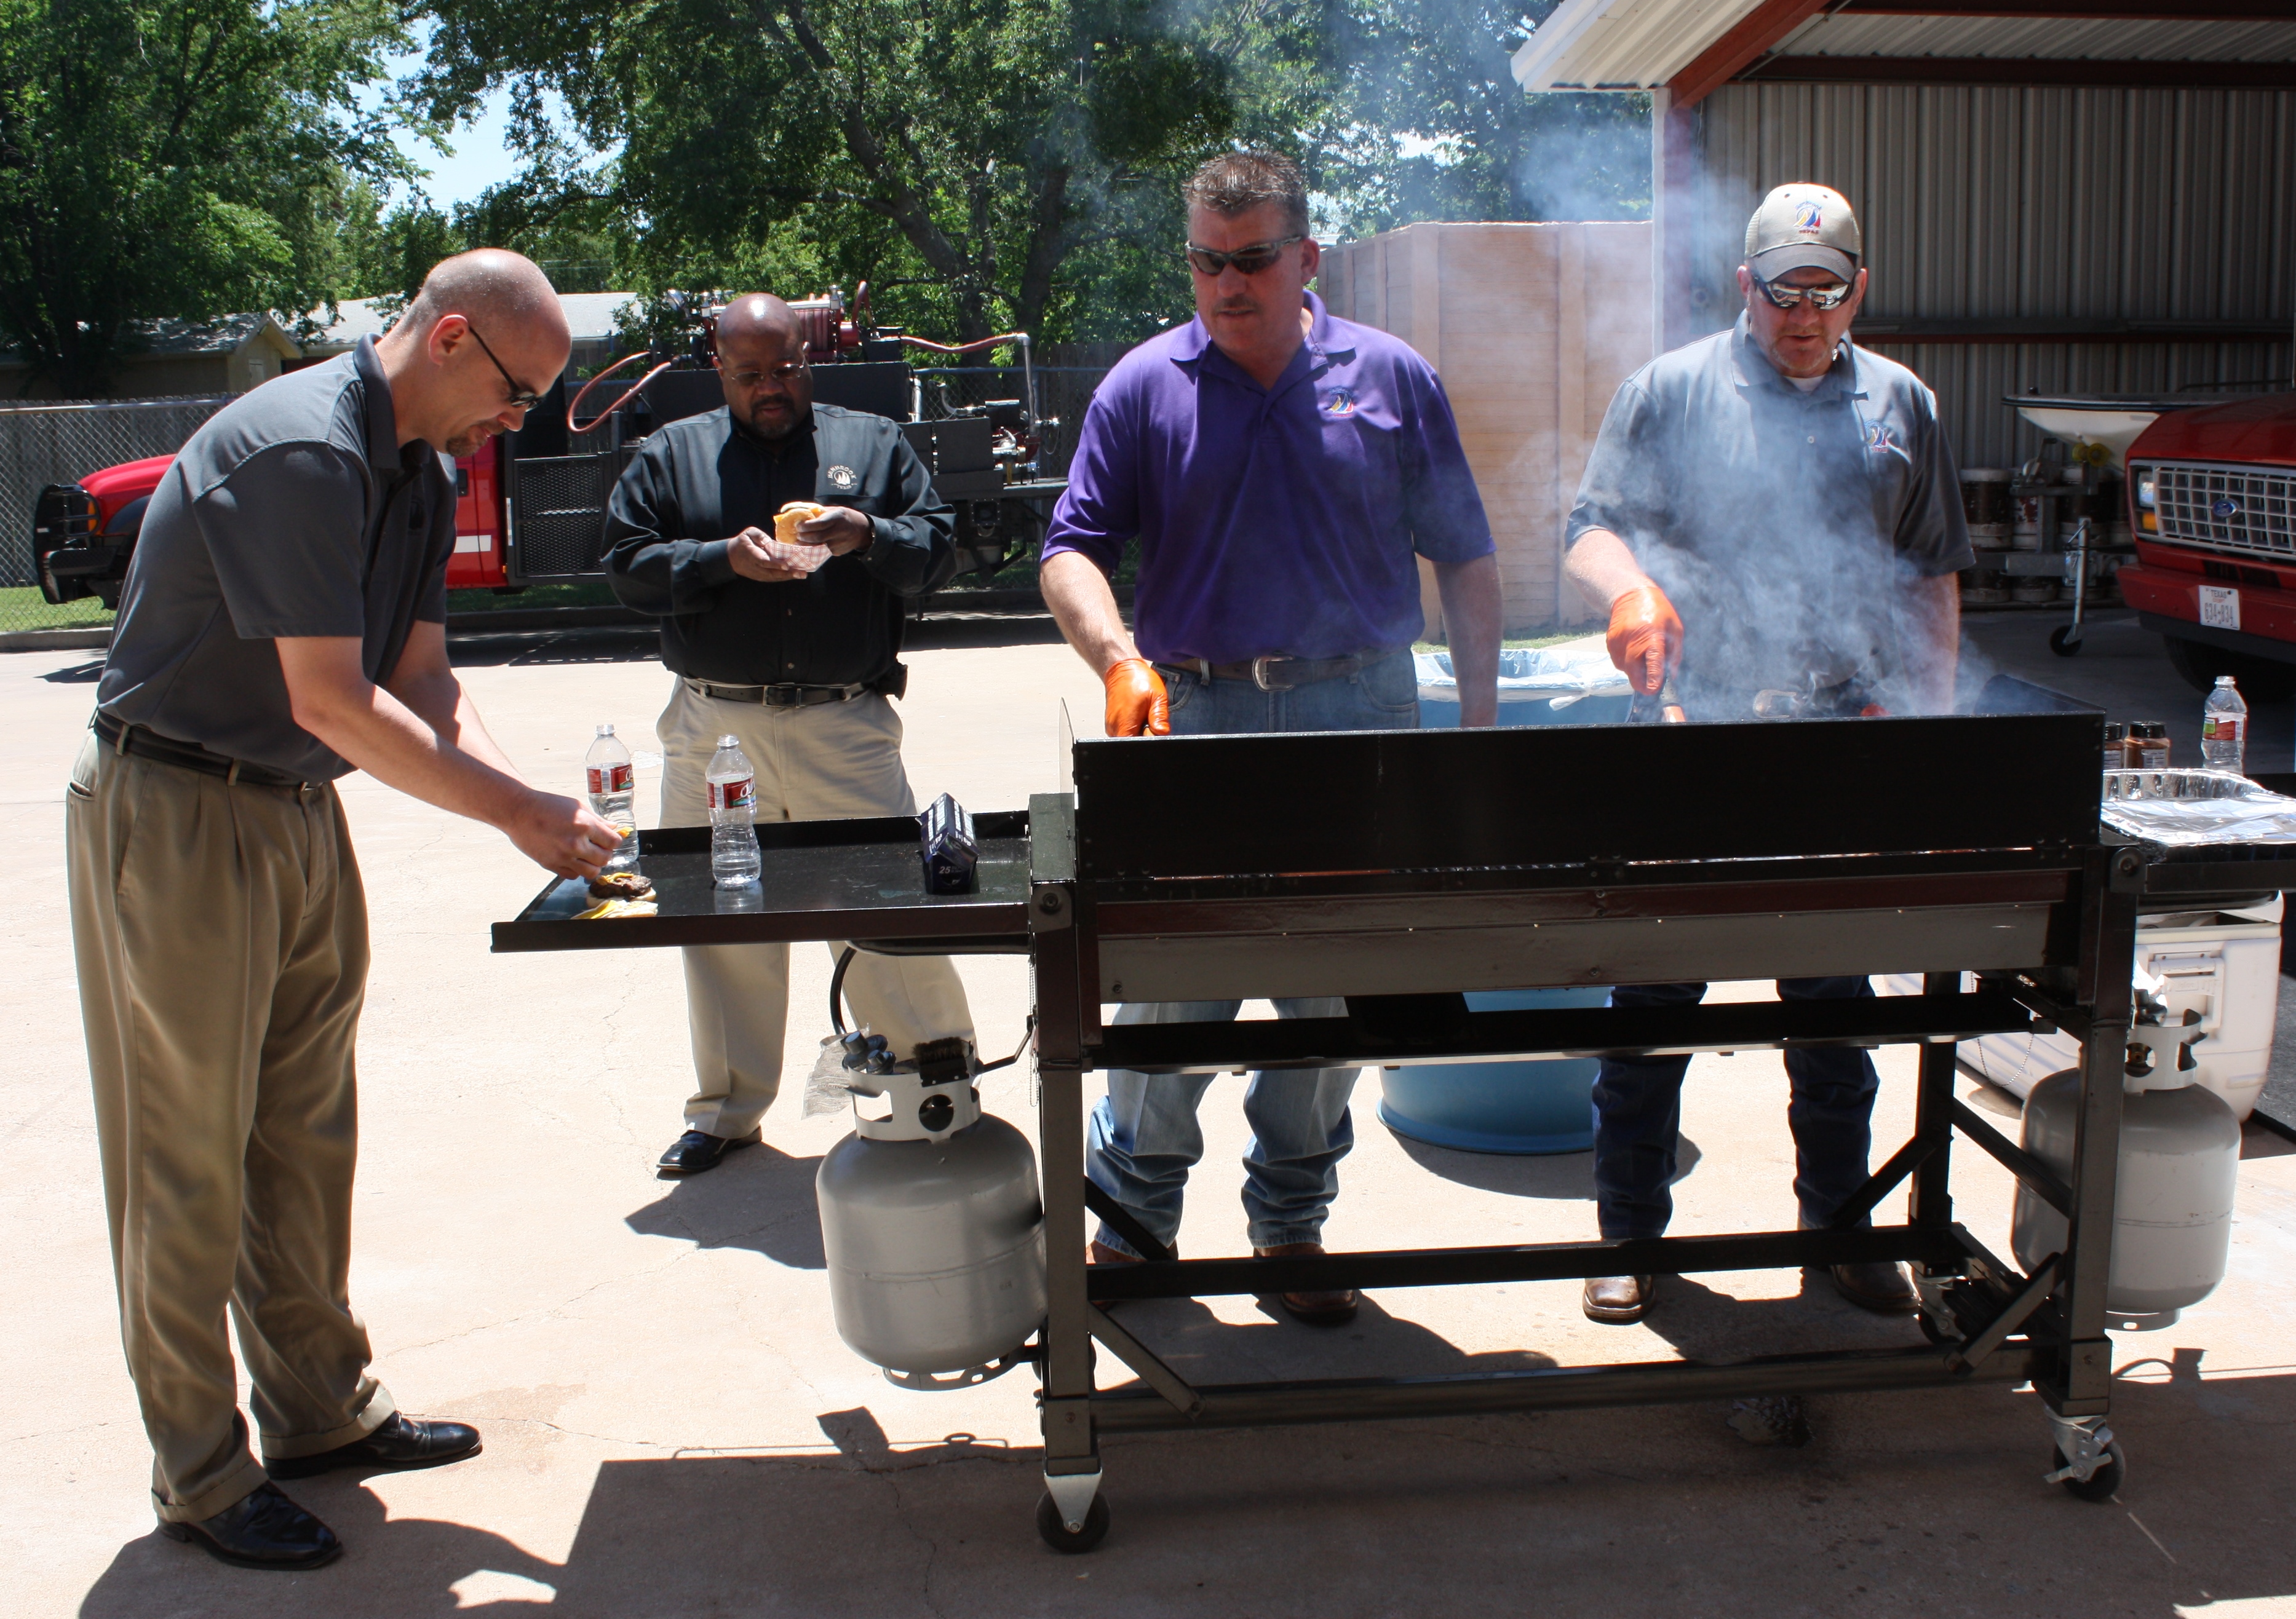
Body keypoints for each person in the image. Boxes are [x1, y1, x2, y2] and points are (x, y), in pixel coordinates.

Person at [68, 250, 622, 1570]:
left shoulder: (418, 474)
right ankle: (201, 1474)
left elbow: (420, 675)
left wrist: (533, 803)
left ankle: (320, 1411)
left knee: (305, 1133)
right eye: (516, 391)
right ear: (446, 341)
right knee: (185, 1155)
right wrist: (509, 813)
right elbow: (327, 693)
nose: (521, 422)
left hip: (298, 808)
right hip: (180, 803)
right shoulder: (301, 451)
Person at [1040, 149, 1503, 1324]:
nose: (1226, 283)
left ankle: (1290, 1233)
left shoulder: (1391, 377)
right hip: (1195, 716)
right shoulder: (1144, 388)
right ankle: (1135, 1226)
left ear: (1308, 257)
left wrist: (1480, 730)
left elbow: (1466, 554)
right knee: (1167, 988)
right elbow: (1069, 549)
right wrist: (1117, 657)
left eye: (1250, 260)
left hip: (1362, 713)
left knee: (1335, 993)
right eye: (1206, 259)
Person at [1562, 183, 1972, 1326]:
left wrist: (1927, 742)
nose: (1803, 315)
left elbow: (1932, 576)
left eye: (1825, 292)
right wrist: (1629, 588)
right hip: (1691, 731)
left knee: (1833, 1010)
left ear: (1857, 290)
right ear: (1744, 285)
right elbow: (1586, 526)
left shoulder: (1902, 406)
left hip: (1835, 742)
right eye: (1782, 291)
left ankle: (1836, 1228)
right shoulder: (1670, 391)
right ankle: (1626, 1236)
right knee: (1650, 1006)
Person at [601, 293, 975, 1177]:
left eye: (787, 371)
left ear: (810, 360)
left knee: (884, 909)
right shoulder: (671, 453)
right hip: (711, 723)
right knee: (721, 919)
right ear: (718, 367)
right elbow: (624, 570)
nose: (772, 389)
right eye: (750, 375)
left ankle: (935, 1084)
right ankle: (728, 1110)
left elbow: (940, 550)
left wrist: (867, 533)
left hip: (843, 722)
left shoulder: (872, 443)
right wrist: (715, 559)